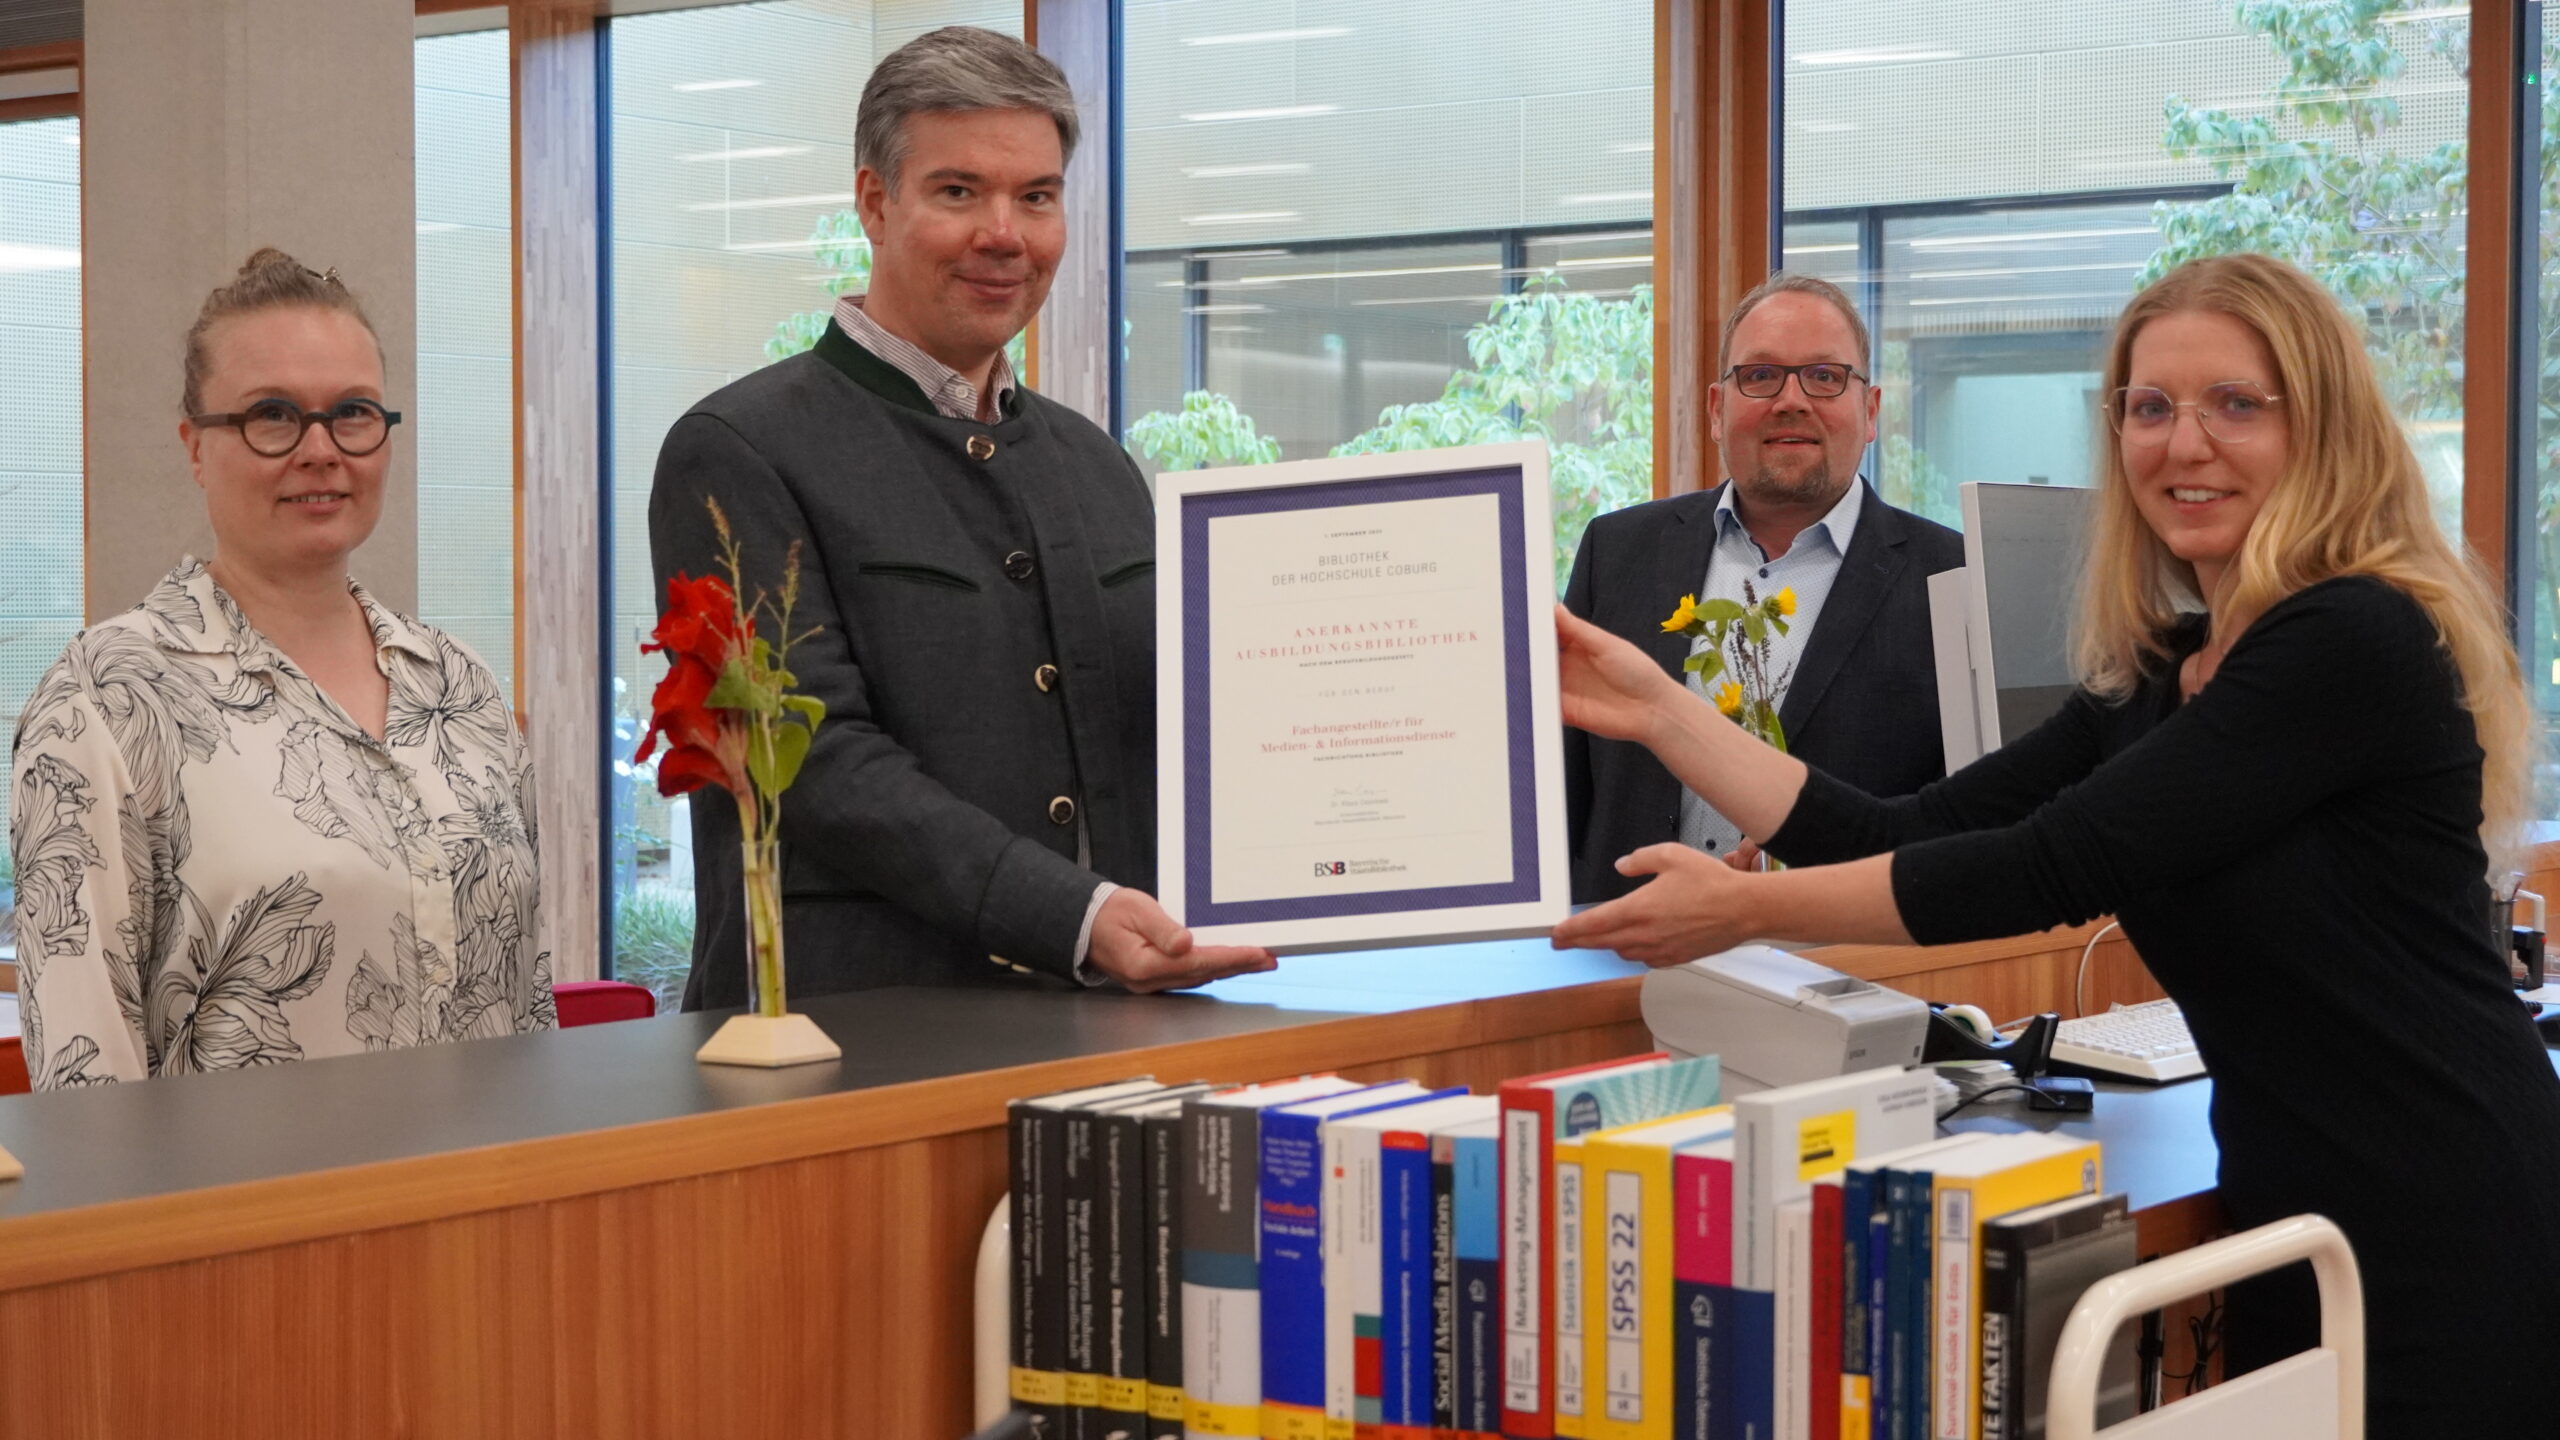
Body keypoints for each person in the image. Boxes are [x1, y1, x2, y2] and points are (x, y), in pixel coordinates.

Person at [1550, 253, 2560, 1433]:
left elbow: (2048, 866)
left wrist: (1747, 911)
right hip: (2297, 1203)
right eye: (2148, 407)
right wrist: (1657, 708)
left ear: (2321, 428)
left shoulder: (2348, 636)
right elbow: (1905, 825)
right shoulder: (2164, 669)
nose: (2183, 444)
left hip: (2443, 1211)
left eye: (2236, 404)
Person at [648, 27, 1272, 1004]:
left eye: (1036, 196)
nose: (1004, 233)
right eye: (957, 192)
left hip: (1109, 1035)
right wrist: (1072, 914)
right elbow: (811, 763)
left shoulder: (1099, 465)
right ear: (873, 202)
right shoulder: (738, 448)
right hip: (851, 1046)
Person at [8, 249, 553, 1088]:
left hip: (481, 1207)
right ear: (195, 447)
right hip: (247, 1215)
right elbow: (86, 1081)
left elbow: (528, 1005)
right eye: (272, 416)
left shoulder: (460, 686)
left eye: (353, 413)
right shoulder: (106, 700)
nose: (321, 449)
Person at [1563, 272, 1962, 901]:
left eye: (1826, 376)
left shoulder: (1953, 577)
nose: (1791, 400)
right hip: (1626, 960)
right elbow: (1561, 787)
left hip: (1847, 972)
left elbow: (1966, 826)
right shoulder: (1616, 553)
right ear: (1719, 410)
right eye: (1760, 376)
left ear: (1872, 410)